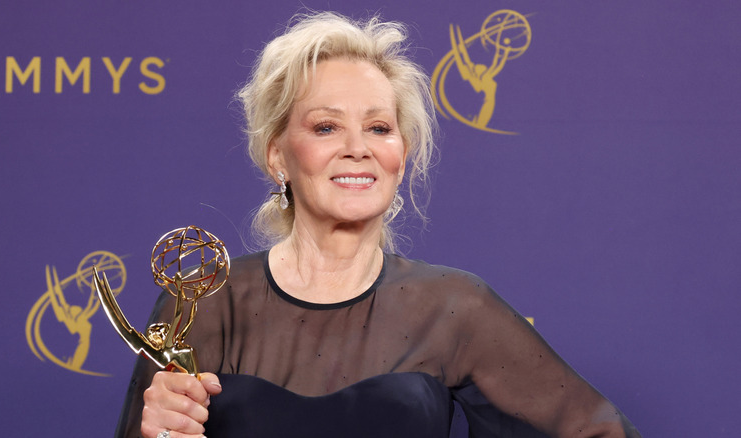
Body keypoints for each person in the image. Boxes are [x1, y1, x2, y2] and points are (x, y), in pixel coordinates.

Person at [114, 12, 640, 438]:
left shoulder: (454, 307)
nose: (357, 148)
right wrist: (156, 435)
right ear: (278, 157)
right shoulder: (210, 300)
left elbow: (598, 431)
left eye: (378, 127)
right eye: (326, 127)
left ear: (401, 156)